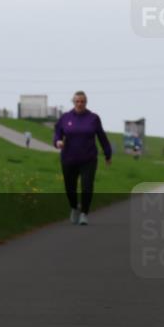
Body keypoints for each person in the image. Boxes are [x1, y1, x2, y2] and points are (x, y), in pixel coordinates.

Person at [53, 91, 112, 226]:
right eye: (77, 101)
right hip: (69, 158)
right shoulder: (65, 118)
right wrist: (58, 142)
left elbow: (102, 137)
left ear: (86, 102)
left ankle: (84, 213)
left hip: (88, 158)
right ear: (73, 102)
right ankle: (74, 207)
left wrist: (108, 154)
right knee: (70, 188)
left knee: (87, 186)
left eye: (82, 102)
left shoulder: (93, 118)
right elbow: (57, 134)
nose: (80, 104)